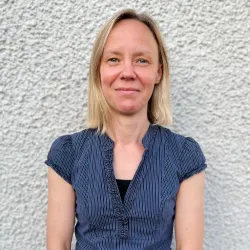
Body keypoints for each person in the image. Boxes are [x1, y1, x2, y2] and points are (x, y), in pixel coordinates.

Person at [45, 9, 207, 250]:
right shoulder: (69, 153)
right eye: (114, 59)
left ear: (158, 72)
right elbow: (58, 245)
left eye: (142, 60)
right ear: (99, 71)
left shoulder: (183, 156)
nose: (128, 73)